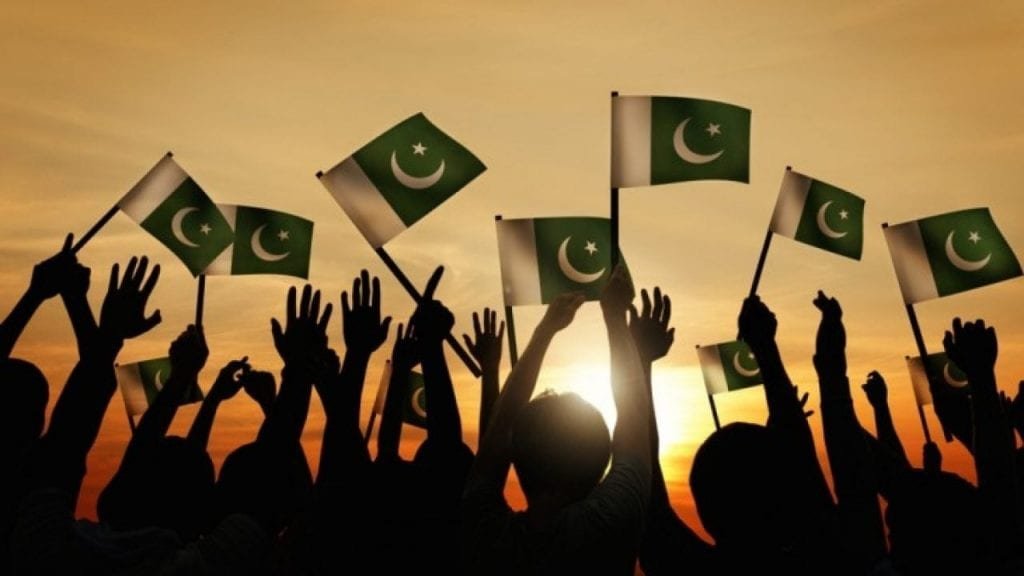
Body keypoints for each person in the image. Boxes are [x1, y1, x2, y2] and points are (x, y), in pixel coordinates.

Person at [462, 265, 651, 575]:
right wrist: (615, 317)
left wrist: (544, 331)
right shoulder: (613, 522)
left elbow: (499, 431)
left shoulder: (485, 534)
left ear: (517, 457)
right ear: (601, 459)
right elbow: (635, 415)